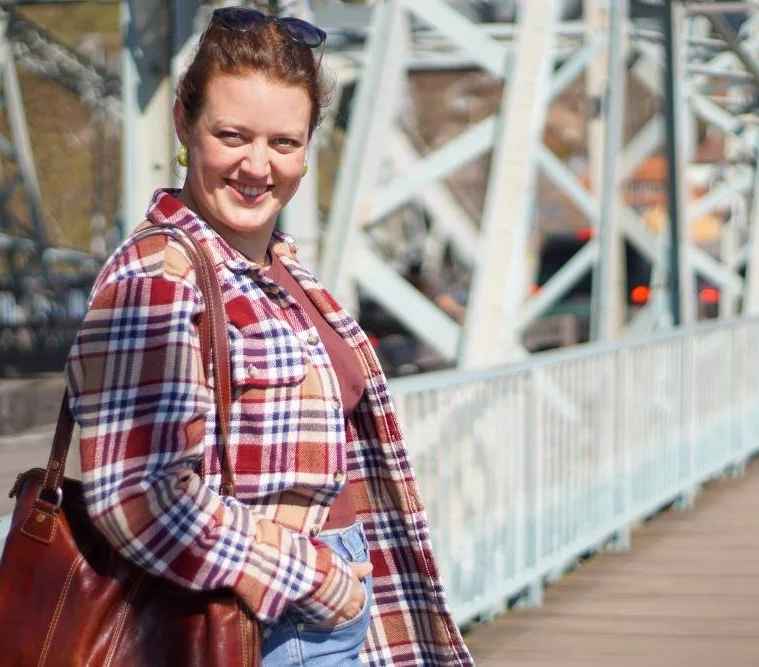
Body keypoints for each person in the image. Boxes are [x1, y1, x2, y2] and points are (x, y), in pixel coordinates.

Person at [65, 7, 473, 666]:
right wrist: (317, 580)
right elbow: (137, 494)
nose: (257, 166)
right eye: (232, 135)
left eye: (284, 142)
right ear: (183, 123)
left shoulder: (280, 265)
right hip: (262, 623)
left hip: (312, 615)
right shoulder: (159, 273)